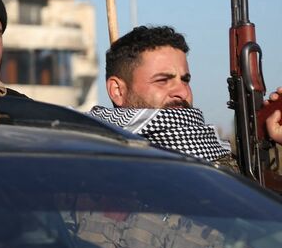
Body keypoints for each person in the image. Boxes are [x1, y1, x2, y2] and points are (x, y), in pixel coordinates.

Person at [86, 25, 282, 162]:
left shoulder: (221, 163)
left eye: (185, 80)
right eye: (162, 80)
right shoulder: (93, 162)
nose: (182, 92)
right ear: (118, 91)